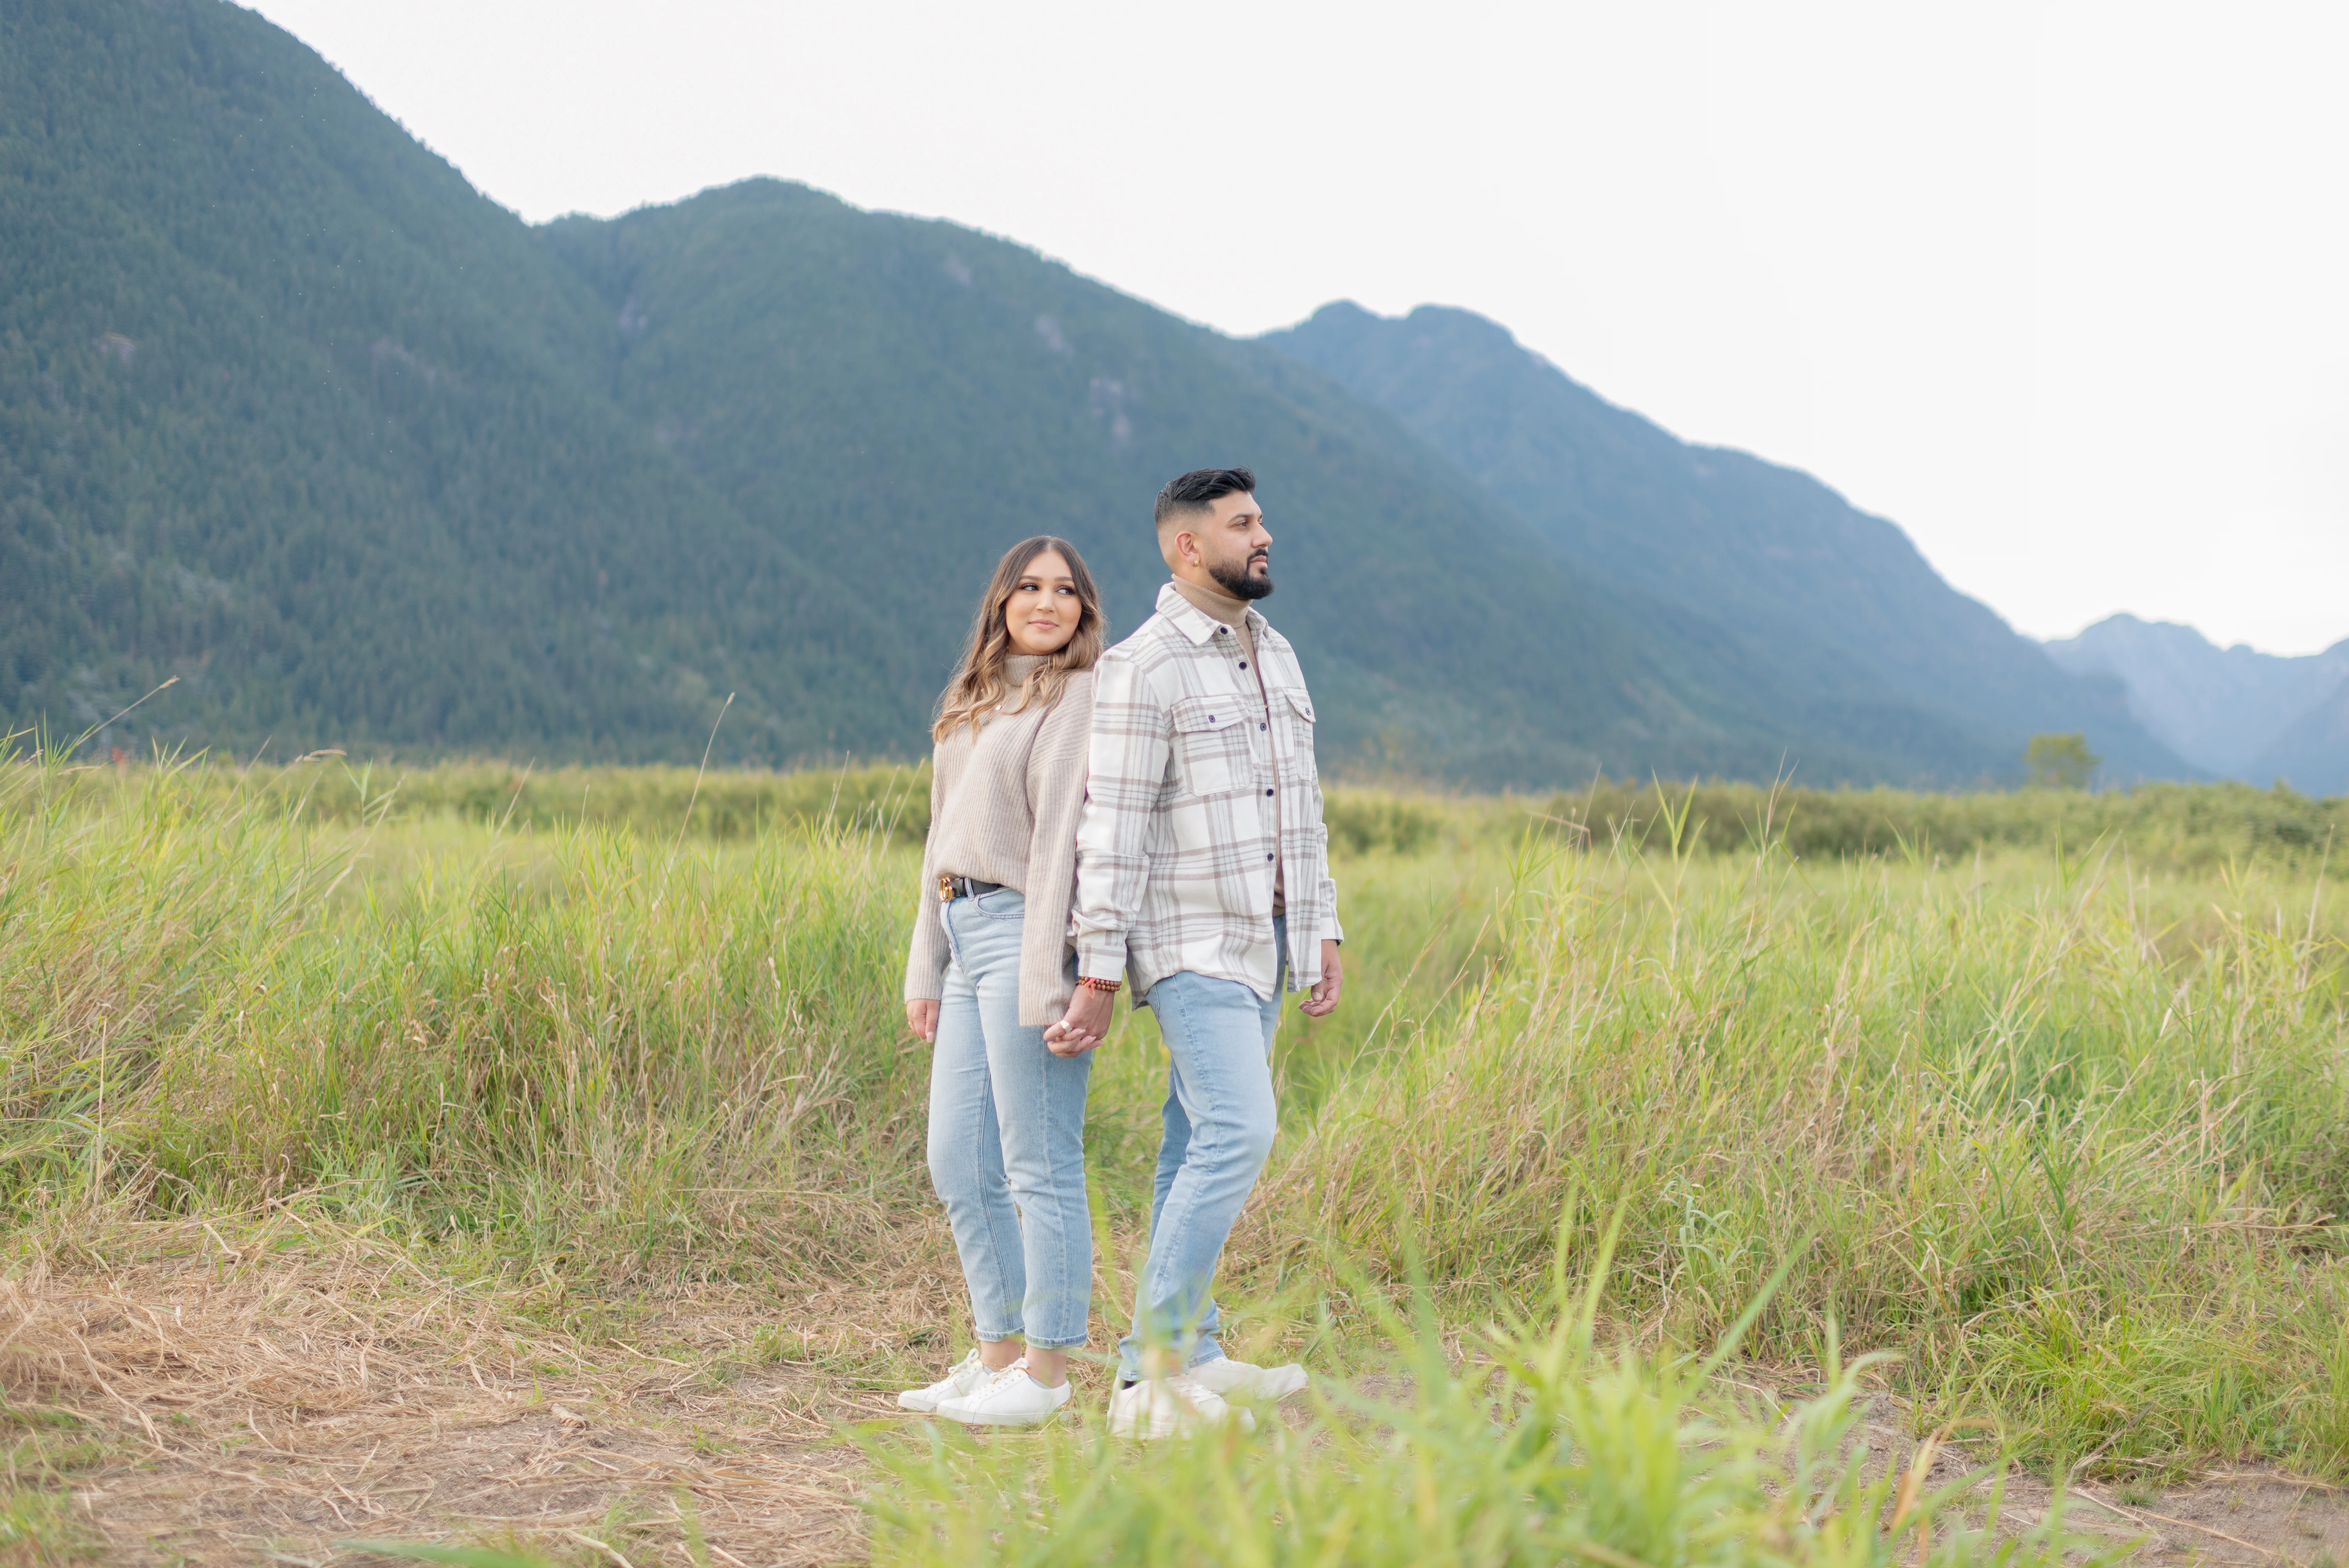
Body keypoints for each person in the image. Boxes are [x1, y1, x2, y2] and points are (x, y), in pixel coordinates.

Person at [1046, 467, 1344, 1438]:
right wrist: (1097, 971)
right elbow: (1112, 829)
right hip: (1189, 942)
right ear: (1187, 546)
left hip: (1266, 941)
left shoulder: (1278, 654)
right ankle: (1148, 1376)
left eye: (1261, 518)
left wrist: (1320, 924)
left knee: (1191, 1144)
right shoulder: (1144, 666)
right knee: (1238, 1132)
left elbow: (1301, 808)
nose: (1264, 535)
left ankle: (1198, 1349)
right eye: (1243, 523)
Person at [896, 536, 1105, 1427]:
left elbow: (1062, 841)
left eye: (1064, 590)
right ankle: (997, 1355)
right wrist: (924, 966)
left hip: (1028, 931)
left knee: (1037, 1163)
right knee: (958, 1159)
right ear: (1002, 601)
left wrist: (1060, 977)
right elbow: (939, 842)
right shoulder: (973, 701)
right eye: (1029, 586)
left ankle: (1047, 1374)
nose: (1046, 602)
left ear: (1083, 610)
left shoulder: (1078, 696)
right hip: (960, 922)